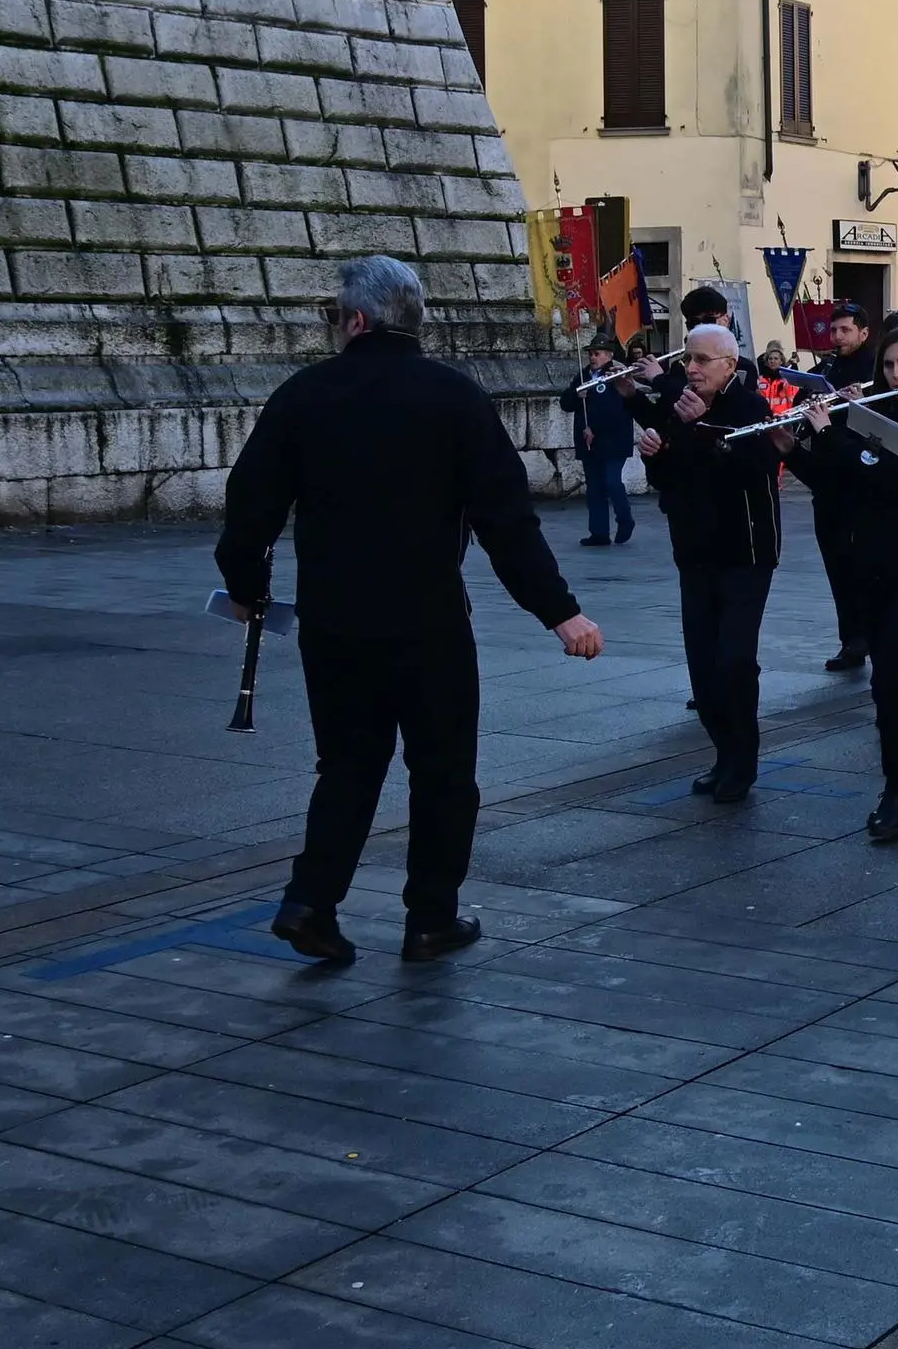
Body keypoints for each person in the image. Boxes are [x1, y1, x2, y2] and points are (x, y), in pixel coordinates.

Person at [217, 256, 603, 967]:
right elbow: (505, 519)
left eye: (334, 315)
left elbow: (250, 507)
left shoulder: (304, 395)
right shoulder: (453, 396)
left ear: (357, 320)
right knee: (444, 771)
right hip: (427, 617)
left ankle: (311, 901)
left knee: (346, 766)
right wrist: (560, 612)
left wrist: (245, 587)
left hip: (334, 621)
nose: (333, 327)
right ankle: (431, 917)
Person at [786, 319, 898, 842]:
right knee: (891, 678)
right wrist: (789, 447)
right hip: (870, 567)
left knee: (891, 673)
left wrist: (834, 433)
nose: (896, 372)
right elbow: (836, 482)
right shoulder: (866, 415)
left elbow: (888, 476)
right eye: (888, 365)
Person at [632, 324, 781, 799]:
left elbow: (751, 471)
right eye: (687, 360)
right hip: (694, 552)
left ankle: (744, 760)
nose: (690, 370)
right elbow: (673, 477)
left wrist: (698, 430)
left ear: (729, 366)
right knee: (702, 663)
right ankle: (723, 753)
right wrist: (656, 454)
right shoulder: (680, 407)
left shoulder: (751, 406)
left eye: (701, 361)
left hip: (745, 551)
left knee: (734, 659)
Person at [809, 301, 878, 674]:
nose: (837, 337)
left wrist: (860, 404)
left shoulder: (874, 369)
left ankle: (866, 634)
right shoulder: (828, 367)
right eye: (833, 331)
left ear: (863, 333)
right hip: (827, 476)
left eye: (845, 331)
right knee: (835, 563)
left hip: (860, 474)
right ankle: (849, 638)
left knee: (859, 564)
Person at [571, 340, 637, 548]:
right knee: (594, 488)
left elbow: (615, 410)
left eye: (597, 353)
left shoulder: (616, 375)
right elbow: (566, 403)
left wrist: (595, 428)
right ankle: (599, 532)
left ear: (608, 355)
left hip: (613, 440)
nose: (592, 357)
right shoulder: (582, 377)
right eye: (591, 353)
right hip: (589, 443)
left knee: (612, 482)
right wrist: (576, 396)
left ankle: (625, 520)